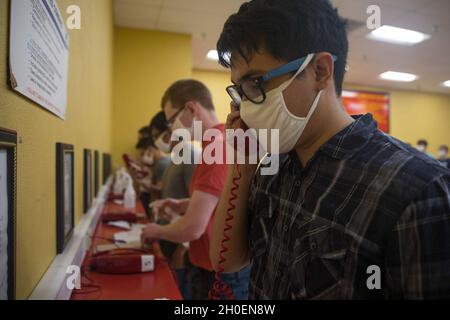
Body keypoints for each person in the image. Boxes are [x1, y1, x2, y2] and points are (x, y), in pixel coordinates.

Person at [211, 0, 450, 299]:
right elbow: (227, 261)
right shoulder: (273, 162)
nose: (245, 107)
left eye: (256, 83)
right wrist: (241, 168)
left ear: (320, 70)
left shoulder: (417, 189)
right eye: (240, 91)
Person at [141, 80, 250, 300]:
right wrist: (183, 204)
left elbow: (193, 228)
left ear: (191, 108)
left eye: (172, 120)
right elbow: (221, 203)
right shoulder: (215, 144)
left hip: (220, 275)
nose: (171, 128)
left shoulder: (217, 147)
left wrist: (156, 231)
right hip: (212, 268)